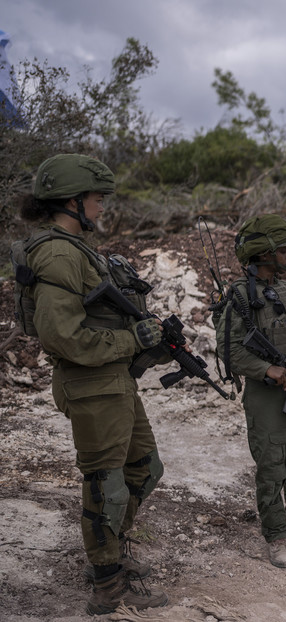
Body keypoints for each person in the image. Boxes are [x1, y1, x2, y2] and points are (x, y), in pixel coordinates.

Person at [13, 154, 169, 614]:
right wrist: (130, 338)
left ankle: (113, 550)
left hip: (112, 379)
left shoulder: (75, 246)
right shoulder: (59, 252)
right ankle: (108, 585)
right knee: (107, 484)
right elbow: (61, 335)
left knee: (145, 467)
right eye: (98, 200)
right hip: (91, 384)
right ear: (73, 200)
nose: (102, 208)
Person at [214, 214, 286, 568]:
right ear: (263, 252)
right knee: (271, 465)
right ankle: (276, 534)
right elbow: (228, 348)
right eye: (284, 250)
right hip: (267, 394)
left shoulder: (285, 290)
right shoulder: (239, 296)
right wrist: (267, 369)